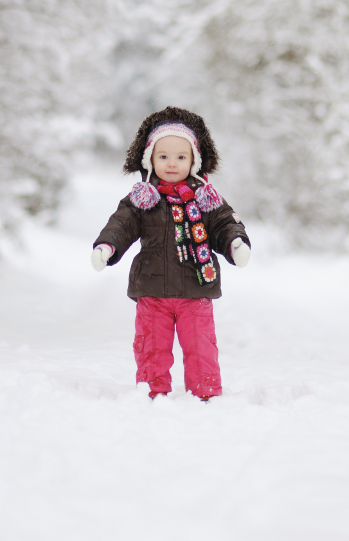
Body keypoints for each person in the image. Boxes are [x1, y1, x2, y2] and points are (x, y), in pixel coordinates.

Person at [91, 106, 251, 400]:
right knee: (152, 344)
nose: (172, 164)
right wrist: (108, 245)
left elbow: (223, 223)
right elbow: (122, 224)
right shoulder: (141, 199)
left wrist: (235, 243)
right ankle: (152, 389)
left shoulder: (206, 198)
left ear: (194, 160)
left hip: (196, 288)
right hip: (153, 290)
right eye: (163, 157)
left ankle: (205, 391)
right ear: (150, 159)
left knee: (201, 345)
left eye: (181, 157)